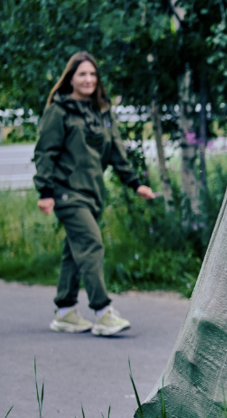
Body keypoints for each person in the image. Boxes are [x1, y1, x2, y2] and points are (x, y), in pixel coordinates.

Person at [33, 52, 156, 336]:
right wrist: (45, 191)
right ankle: (103, 312)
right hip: (67, 194)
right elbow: (45, 152)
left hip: (92, 194)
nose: (88, 79)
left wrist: (136, 183)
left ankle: (65, 312)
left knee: (74, 253)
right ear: (70, 78)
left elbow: (116, 152)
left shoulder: (103, 112)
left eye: (92, 74)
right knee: (91, 245)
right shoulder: (59, 111)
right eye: (81, 74)